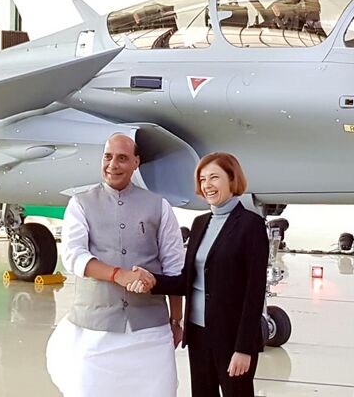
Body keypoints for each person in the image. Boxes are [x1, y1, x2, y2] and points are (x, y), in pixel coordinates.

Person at [45, 134, 185, 397]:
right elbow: (73, 255)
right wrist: (117, 275)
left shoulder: (159, 206)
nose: (113, 165)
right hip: (94, 329)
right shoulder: (80, 204)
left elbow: (174, 268)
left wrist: (176, 319)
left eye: (122, 158)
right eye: (108, 157)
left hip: (149, 332)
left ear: (136, 163)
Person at [131, 152, 269, 397]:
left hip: (232, 338)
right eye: (203, 179)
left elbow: (254, 292)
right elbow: (188, 280)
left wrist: (244, 348)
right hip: (199, 334)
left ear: (232, 179)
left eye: (214, 177)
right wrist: (152, 280)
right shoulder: (199, 223)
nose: (207, 185)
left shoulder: (251, 225)